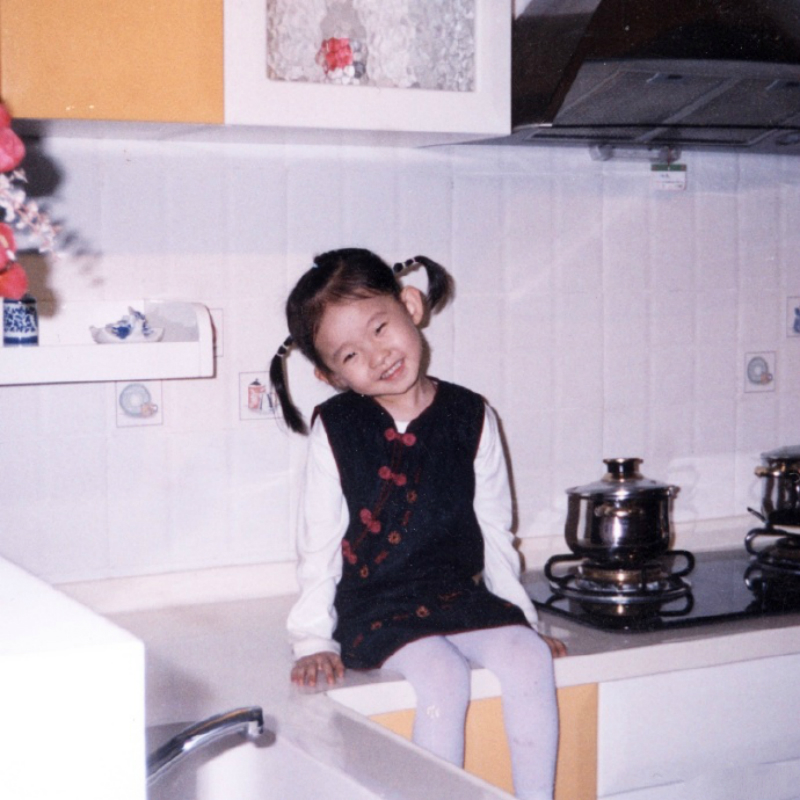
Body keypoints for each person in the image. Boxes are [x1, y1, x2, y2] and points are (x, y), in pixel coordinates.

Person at [270, 247, 566, 800]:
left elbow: (494, 528)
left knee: (528, 657)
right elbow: (319, 541)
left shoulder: (472, 415)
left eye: (380, 327)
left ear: (410, 305)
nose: (377, 355)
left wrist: (521, 617)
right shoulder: (336, 428)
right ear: (331, 376)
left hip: (457, 594)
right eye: (351, 354)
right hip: (375, 605)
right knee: (442, 675)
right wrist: (311, 638)